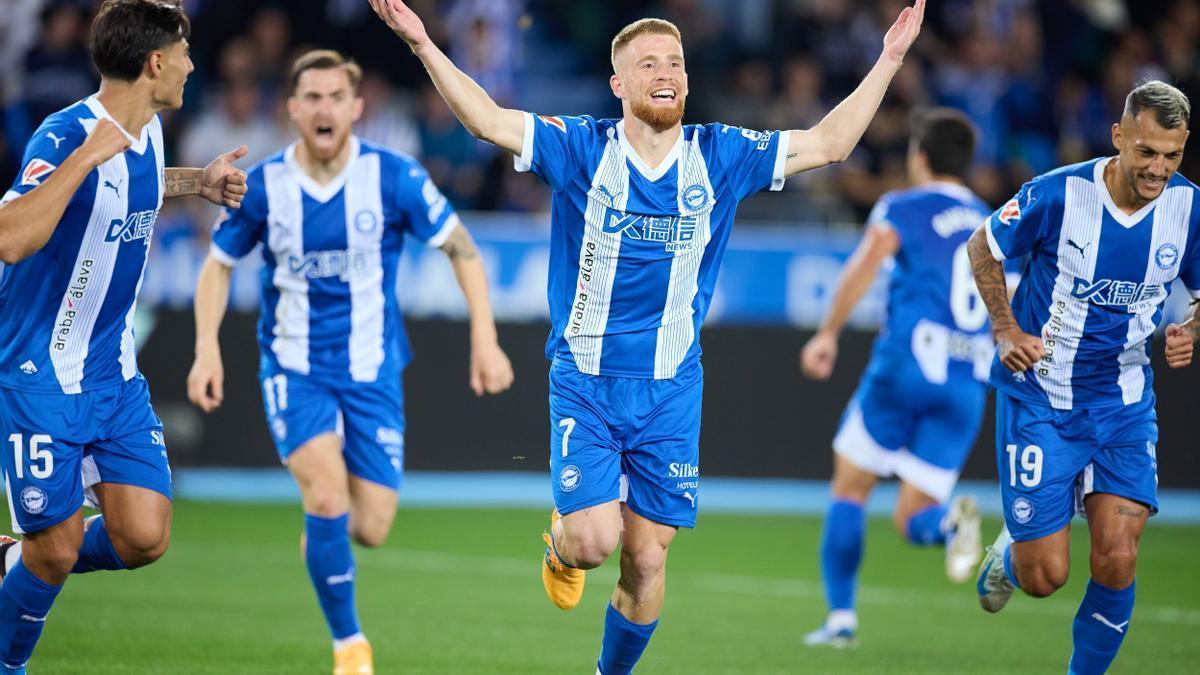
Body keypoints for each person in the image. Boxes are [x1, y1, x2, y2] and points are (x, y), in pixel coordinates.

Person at [369, 0, 926, 672]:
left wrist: (890, 58)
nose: (666, 73)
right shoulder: (579, 148)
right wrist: (423, 43)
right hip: (587, 379)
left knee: (647, 556)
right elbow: (487, 121)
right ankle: (562, 541)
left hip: (671, 388)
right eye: (648, 64)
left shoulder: (721, 154)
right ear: (620, 86)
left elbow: (830, 143)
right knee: (594, 543)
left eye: (675, 63)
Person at [185, 49, 513, 675]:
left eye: (337, 96)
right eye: (311, 97)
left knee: (373, 525)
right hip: (294, 367)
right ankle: (349, 647)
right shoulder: (267, 186)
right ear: (293, 108)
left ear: (357, 108)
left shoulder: (393, 177)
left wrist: (485, 337)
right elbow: (217, 266)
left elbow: (462, 249)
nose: (324, 108)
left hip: (374, 370)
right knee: (328, 494)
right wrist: (206, 349)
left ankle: (324, 526)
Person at [0, 2, 246, 673]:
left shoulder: (153, 131)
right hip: (41, 372)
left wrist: (200, 183)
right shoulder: (66, 133)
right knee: (55, 549)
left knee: (143, 534)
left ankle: (12, 559)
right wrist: (83, 158)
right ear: (156, 62)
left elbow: (128, 190)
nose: (194, 66)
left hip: (110, 369)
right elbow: (12, 235)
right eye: (185, 53)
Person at [968, 80, 1200, 675]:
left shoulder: (1189, 208)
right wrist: (1005, 330)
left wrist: (1192, 329)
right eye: (1146, 152)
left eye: (1172, 156)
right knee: (1047, 577)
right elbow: (983, 246)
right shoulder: (1057, 194)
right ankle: (1011, 556)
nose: (1158, 169)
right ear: (1118, 136)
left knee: (1118, 558)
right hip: (1041, 400)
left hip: (1123, 405)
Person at [800, 108, 998, 647]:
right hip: (966, 382)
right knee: (913, 515)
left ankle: (841, 620)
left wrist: (827, 333)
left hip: (907, 366)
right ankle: (951, 527)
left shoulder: (904, 207)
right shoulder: (994, 221)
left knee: (851, 487)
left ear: (920, 156)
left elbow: (867, 263)